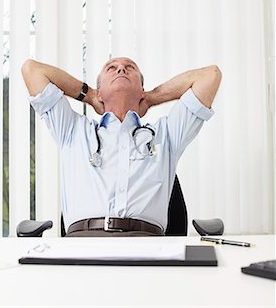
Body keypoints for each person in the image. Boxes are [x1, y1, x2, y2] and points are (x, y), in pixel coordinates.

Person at [22, 57, 222, 237]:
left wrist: (151, 97)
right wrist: (89, 95)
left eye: (129, 68)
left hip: (148, 248)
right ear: (99, 91)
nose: (120, 70)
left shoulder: (166, 134)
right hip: (82, 246)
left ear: (141, 88)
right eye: (111, 68)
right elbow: (32, 70)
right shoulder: (73, 130)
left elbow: (210, 76)